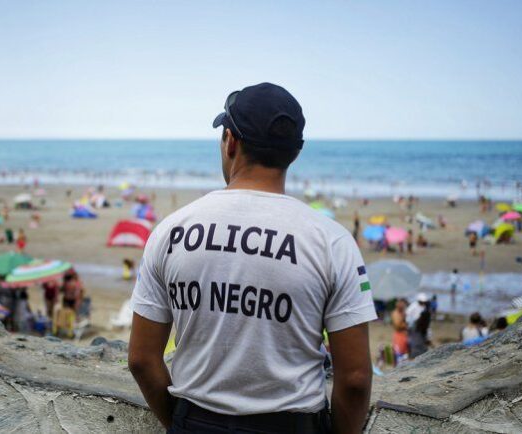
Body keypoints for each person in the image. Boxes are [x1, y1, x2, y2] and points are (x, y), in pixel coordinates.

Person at [128, 83, 375, 433]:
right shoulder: (331, 242)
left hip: (196, 419)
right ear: (295, 152)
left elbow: (141, 358)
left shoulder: (171, 231)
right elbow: (354, 377)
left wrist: (180, 424)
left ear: (231, 141)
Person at [407, 293, 431, 358]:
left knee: (421, 344)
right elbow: (408, 316)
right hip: (414, 327)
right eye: (421, 302)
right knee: (415, 344)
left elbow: (427, 324)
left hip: (421, 328)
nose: (423, 303)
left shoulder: (425, 308)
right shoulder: (413, 306)